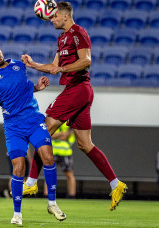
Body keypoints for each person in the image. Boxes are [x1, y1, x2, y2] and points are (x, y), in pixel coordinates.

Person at [21, 1, 127, 211]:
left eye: (54, 17)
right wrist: (34, 65)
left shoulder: (78, 33)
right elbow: (54, 66)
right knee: (85, 145)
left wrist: (62, 68)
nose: (51, 20)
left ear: (65, 16)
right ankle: (116, 184)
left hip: (77, 89)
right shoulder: (62, 38)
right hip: (81, 92)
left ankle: (31, 183)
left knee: (42, 130)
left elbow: (86, 60)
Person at [0, 43, 66, 225]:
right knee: (18, 168)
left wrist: (37, 87)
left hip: (34, 120)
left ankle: (52, 204)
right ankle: (17, 214)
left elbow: (24, 89)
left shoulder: (19, 64)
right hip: (13, 127)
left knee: (48, 157)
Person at [43, 125, 76, 198]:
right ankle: (46, 196)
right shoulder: (51, 119)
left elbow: (68, 135)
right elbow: (47, 135)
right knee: (49, 174)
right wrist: (62, 134)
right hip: (52, 151)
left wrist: (56, 135)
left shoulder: (69, 121)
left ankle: (72, 197)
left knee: (69, 174)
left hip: (65, 152)